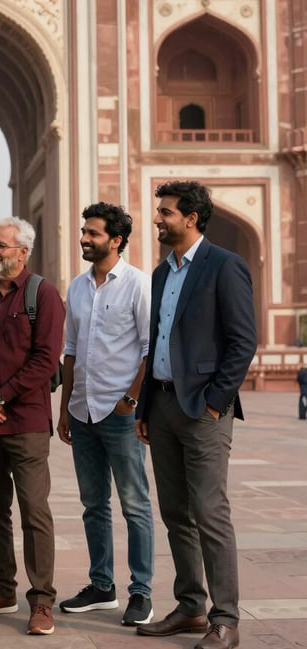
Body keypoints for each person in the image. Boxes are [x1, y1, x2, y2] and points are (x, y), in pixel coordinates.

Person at [135, 181, 257, 649]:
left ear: (191, 217)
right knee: (175, 512)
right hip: (163, 405)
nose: (158, 218)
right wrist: (146, 406)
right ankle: (190, 606)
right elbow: (157, 343)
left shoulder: (224, 266)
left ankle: (225, 619)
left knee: (210, 513)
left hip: (203, 408)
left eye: (165, 212)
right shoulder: (162, 273)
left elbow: (243, 341)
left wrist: (215, 400)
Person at [0, 217, 64, 636]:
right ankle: (1, 588)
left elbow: (45, 359)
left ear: (23, 252)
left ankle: (41, 600)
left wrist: (0, 397)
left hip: (25, 422)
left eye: (1, 246)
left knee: (34, 511)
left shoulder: (43, 294)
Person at [56, 202, 155, 626]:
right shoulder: (78, 287)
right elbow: (71, 352)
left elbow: (152, 351)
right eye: (83, 231)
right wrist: (64, 409)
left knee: (134, 504)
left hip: (120, 413)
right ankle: (101, 586)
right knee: (93, 504)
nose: (84, 238)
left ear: (115, 240)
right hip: (83, 411)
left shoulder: (137, 285)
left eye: (93, 233)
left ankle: (141, 592)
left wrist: (132, 401)